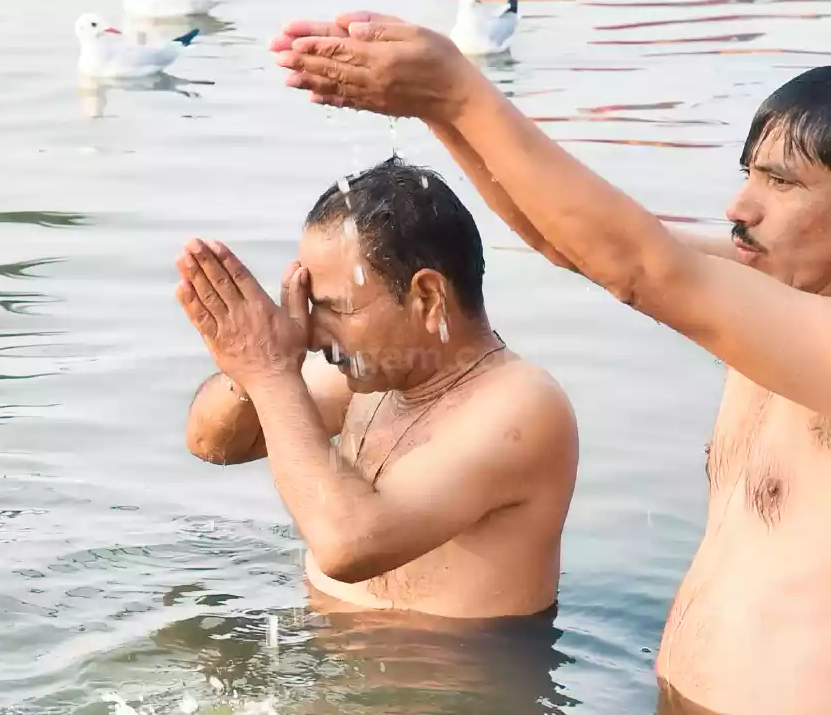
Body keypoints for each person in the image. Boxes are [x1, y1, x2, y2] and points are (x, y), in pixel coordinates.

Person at [267, 11, 831, 715]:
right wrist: (436, 109)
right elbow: (572, 246)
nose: (738, 205)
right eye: (746, 175)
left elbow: (640, 268)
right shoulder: (782, 291)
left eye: (781, 184)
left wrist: (461, 93)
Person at [175, 157, 580, 621]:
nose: (314, 334)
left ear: (427, 297)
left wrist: (270, 373)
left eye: (336, 309)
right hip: (329, 664)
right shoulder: (370, 379)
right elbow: (212, 443)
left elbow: (346, 546)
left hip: (451, 685)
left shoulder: (522, 406)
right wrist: (250, 363)